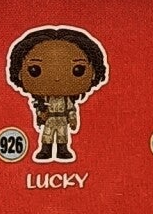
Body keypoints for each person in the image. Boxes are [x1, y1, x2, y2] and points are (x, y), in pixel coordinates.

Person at [6, 26, 108, 162]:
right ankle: (45, 150)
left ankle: (62, 150)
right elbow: (40, 109)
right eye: (35, 70)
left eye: (78, 70)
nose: (57, 78)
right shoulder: (44, 99)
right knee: (47, 135)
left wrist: (72, 120)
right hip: (49, 118)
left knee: (62, 136)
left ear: (93, 73)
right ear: (19, 73)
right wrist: (40, 115)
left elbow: (71, 109)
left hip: (62, 118)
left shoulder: (66, 101)